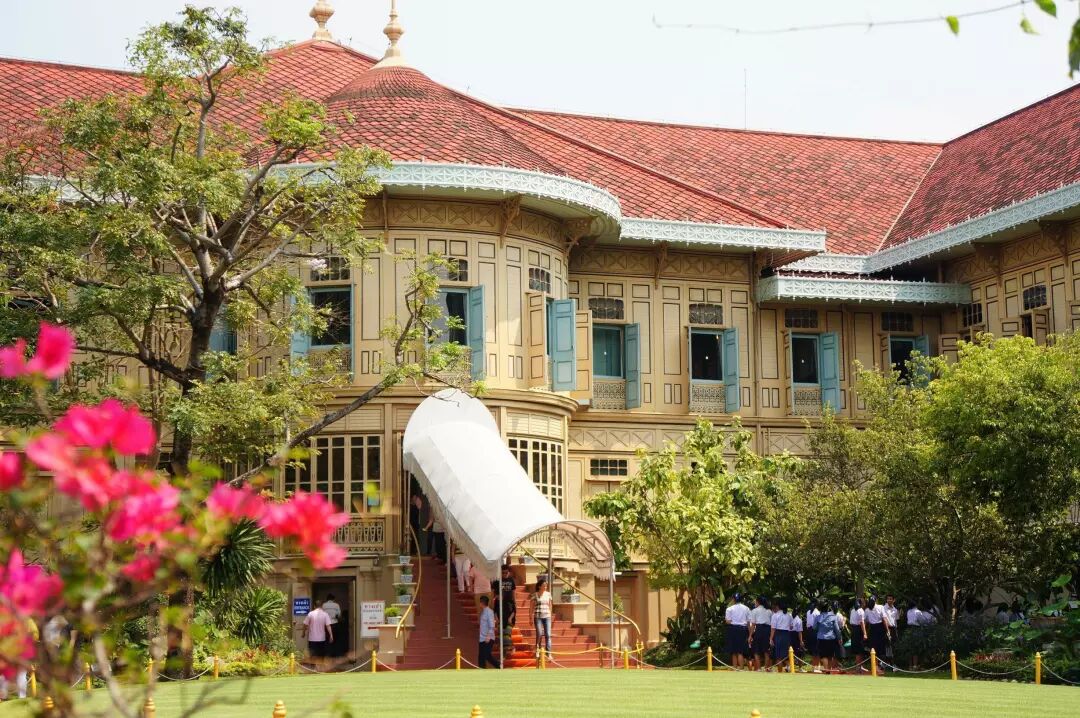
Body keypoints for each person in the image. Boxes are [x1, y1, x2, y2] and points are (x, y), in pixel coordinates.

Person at [0, 618, 37, 700]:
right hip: (10, 652)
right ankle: (5, 694)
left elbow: (34, 634)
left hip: (17, 652)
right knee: (6, 675)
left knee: (20, 674)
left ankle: (18, 695)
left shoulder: (23, 622)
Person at [302, 599, 333, 672]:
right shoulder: (325, 614)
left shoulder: (310, 614)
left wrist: (303, 633)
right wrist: (331, 635)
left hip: (312, 638)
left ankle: (313, 668)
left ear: (314, 606)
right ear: (321, 606)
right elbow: (328, 626)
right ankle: (320, 668)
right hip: (322, 638)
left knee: (313, 654)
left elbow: (305, 624)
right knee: (321, 654)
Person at [723, 593, 751, 669]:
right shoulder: (746, 608)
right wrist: (750, 634)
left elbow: (728, 621)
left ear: (734, 599)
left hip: (733, 629)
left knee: (733, 651)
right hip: (743, 629)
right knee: (740, 651)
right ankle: (741, 667)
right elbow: (748, 622)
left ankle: (735, 667)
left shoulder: (729, 609)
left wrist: (733, 621)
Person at [814, 599, 842, 672]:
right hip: (831, 639)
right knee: (830, 656)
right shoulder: (833, 617)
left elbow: (814, 627)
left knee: (823, 656)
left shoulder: (818, 617)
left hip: (821, 639)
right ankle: (829, 670)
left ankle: (827, 670)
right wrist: (839, 638)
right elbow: (837, 629)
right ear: (828, 608)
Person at [864, 596, 889, 672]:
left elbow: (865, 622)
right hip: (880, 628)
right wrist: (887, 630)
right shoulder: (880, 607)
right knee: (881, 648)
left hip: (872, 629)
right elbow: (884, 619)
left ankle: (876, 666)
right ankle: (881, 667)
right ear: (876, 601)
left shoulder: (867, 610)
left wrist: (865, 632)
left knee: (873, 648)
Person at [749, 596, 772, 670]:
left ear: (758, 602)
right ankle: (766, 668)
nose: (755, 603)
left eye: (755, 602)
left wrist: (750, 635)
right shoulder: (769, 611)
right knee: (766, 650)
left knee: (756, 650)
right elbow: (772, 624)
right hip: (767, 630)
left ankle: (758, 668)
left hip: (759, 629)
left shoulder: (755, 610)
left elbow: (753, 625)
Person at [532, 578, 553, 658]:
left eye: (546, 586)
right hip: (538, 616)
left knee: (548, 634)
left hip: (547, 616)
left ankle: (548, 652)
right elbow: (531, 606)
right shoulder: (535, 594)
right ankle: (538, 649)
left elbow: (550, 604)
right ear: (539, 586)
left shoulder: (548, 594)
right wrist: (530, 617)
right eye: (544, 585)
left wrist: (550, 613)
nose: (545, 587)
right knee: (539, 633)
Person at [768, 599, 791, 671]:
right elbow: (791, 626)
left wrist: (771, 638)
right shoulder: (789, 615)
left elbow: (773, 628)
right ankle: (789, 667)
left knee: (778, 656)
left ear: (777, 606)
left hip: (778, 635)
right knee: (785, 654)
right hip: (786, 635)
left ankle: (780, 671)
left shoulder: (775, 615)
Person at [477, 595, 498, 669]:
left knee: (486, 656)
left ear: (482, 603)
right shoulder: (483, 612)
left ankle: (499, 666)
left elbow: (492, 625)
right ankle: (482, 670)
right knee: (482, 657)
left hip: (488, 638)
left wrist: (488, 636)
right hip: (482, 638)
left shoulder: (489, 612)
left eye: (480, 602)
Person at [322, 593, 343, 658]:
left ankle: (328, 655)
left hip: (326, 625)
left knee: (327, 640)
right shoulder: (336, 605)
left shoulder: (324, 605)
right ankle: (336, 655)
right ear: (333, 599)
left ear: (327, 599)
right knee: (336, 640)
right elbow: (339, 615)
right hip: (335, 624)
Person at [849, 598, 867, 668]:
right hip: (858, 630)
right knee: (859, 649)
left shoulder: (852, 610)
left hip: (853, 629)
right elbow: (862, 623)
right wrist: (865, 633)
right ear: (862, 604)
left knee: (857, 649)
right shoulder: (861, 611)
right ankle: (859, 666)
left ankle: (859, 666)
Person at [884, 594, 900, 669]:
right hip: (886, 628)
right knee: (888, 646)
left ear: (894, 600)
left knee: (894, 646)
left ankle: (892, 664)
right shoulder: (883, 608)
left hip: (894, 629)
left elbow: (896, 620)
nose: (889, 600)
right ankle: (888, 663)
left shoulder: (895, 610)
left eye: (891, 599)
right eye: (888, 599)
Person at [805, 601, 820, 670]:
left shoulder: (817, 612)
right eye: (810, 604)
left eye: (812, 604)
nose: (811, 605)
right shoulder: (808, 612)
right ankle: (814, 666)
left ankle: (818, 666)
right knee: (812, 649)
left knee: (817, 649)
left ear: (815, 605)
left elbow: (818, 623)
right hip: (809, 630)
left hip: (815, 631)